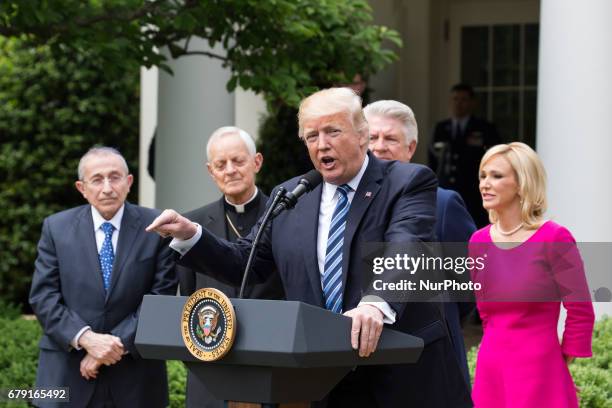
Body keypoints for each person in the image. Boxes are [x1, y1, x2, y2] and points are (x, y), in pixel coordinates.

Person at [148, 87, 470, 407]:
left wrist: (376, 303)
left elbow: (406, 246)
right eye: (312, 136)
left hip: (402, 378)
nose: (322, 144)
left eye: (332, 131)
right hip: (324, 382)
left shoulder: (407, 182)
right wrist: (192, 235)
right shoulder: (291, 195)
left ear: (361, 134)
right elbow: (246, 261)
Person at [29, 147, 177, 408]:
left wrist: (111, 347)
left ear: (129, 182)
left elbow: (161, 296)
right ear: (81, 187)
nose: (107, 188)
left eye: (115, 177)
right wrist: (86, 338)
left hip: (136, 377)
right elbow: (43, 296)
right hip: (66, 375)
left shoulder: (156, 227)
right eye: (97, 179)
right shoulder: (56, 228)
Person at [469, 142, 595, 407]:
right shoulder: (478, 241)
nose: (485, 184)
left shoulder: (554, 238)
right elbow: (485, 314)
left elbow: (581, 308)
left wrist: (561, 360)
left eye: (497, 176)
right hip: (491, 368)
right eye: (483, 176)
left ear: (522, 184)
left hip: (540, 369)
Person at [364, 99, 476, 387]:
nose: (379, 146)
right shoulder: (347, 208)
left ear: (410, 148)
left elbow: (468, 284)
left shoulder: (444, 204)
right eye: (372, 138)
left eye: (390, 138)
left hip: (431, 362)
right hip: (363, 365)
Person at [178, 126, 284, 408]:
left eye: (238, 161)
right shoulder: (193, 225)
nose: (230, 170)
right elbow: (190, 291)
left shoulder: (285, 217)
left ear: (256, 162)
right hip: (211, 364)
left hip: (270, 361)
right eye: (221, 165)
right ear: (211, 171)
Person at [429, 83, 501, 228]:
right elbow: (433, 158)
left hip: (474, 193)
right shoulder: (442, 128)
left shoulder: (484, 128)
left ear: (472, 102)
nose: (459, 103)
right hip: (446, 188)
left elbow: (495, 159)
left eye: (463, 99)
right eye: (455, 99)